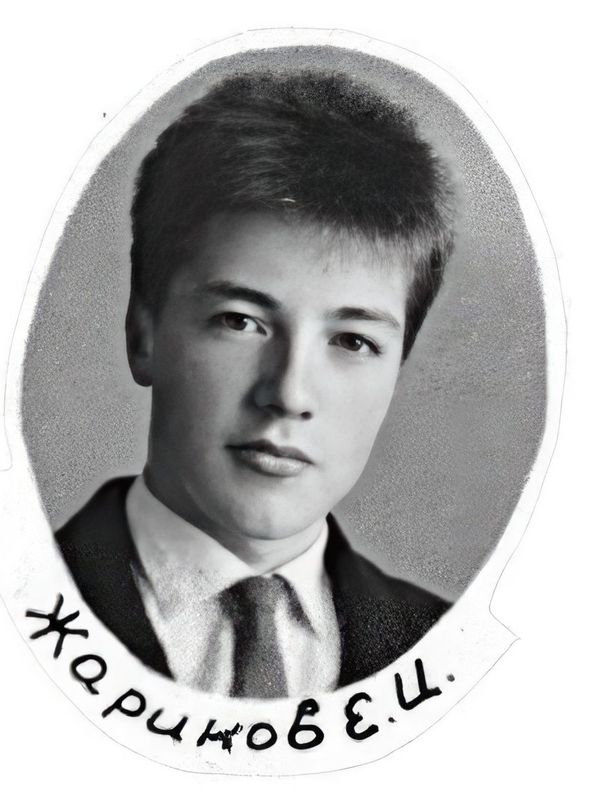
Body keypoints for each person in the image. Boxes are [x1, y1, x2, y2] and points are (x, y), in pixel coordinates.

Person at [56, 70, 456, 698]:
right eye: (240, 322)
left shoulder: (455, 656)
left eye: (353, 341)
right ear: (144, 333)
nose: (289, 395)